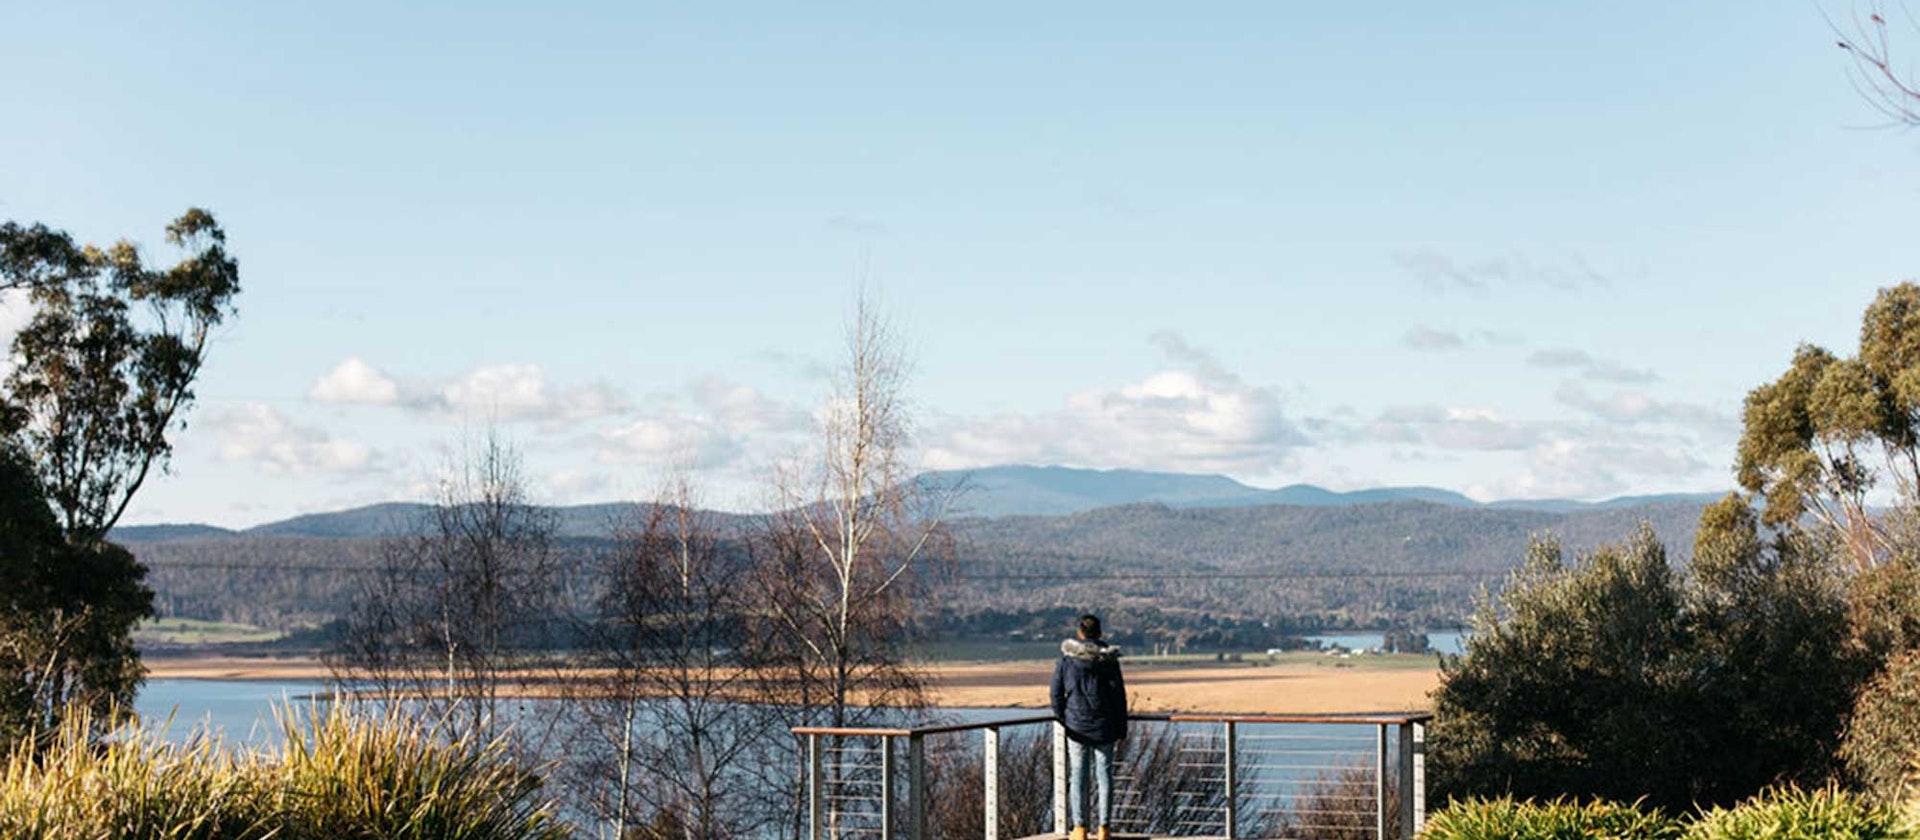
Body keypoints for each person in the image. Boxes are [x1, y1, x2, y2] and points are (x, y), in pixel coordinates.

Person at [1051, 613, 1128, 840]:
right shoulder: (1109, 661)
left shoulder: (1066, 661)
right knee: (1104, 776)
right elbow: (1118, 697)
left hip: (1076, 726)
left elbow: (1056, 693)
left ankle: (1079, 828)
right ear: (1100, 633)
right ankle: (1104, 828)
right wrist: (1121, 727)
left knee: (1078, 776)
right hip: (1105, 726)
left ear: (1079, 633)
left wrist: (1063, 717)